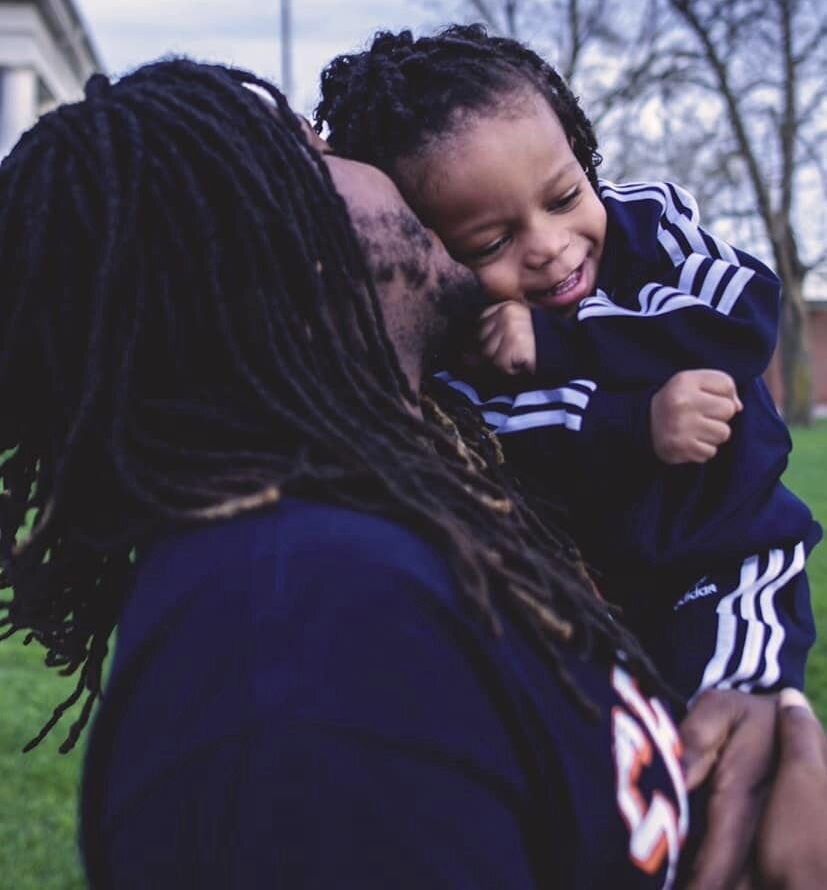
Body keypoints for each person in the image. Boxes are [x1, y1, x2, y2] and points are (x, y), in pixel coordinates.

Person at [0, 58, 821, 890]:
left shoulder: (427, 475)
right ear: (281, 236)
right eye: (316, 149)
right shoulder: (289, 658)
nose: (367, 162)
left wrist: (762, 715)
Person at [314, 23, 821, 701]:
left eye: (563, 197)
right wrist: (635, 422)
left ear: (581, 155)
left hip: (726, 560)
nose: (550, 246)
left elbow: (741, 315)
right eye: (491, 241)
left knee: (729, 734)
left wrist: (559, 345)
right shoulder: (469, 350)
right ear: (433, 254)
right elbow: (514, 430)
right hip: (605, 594)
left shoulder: (650, 222)